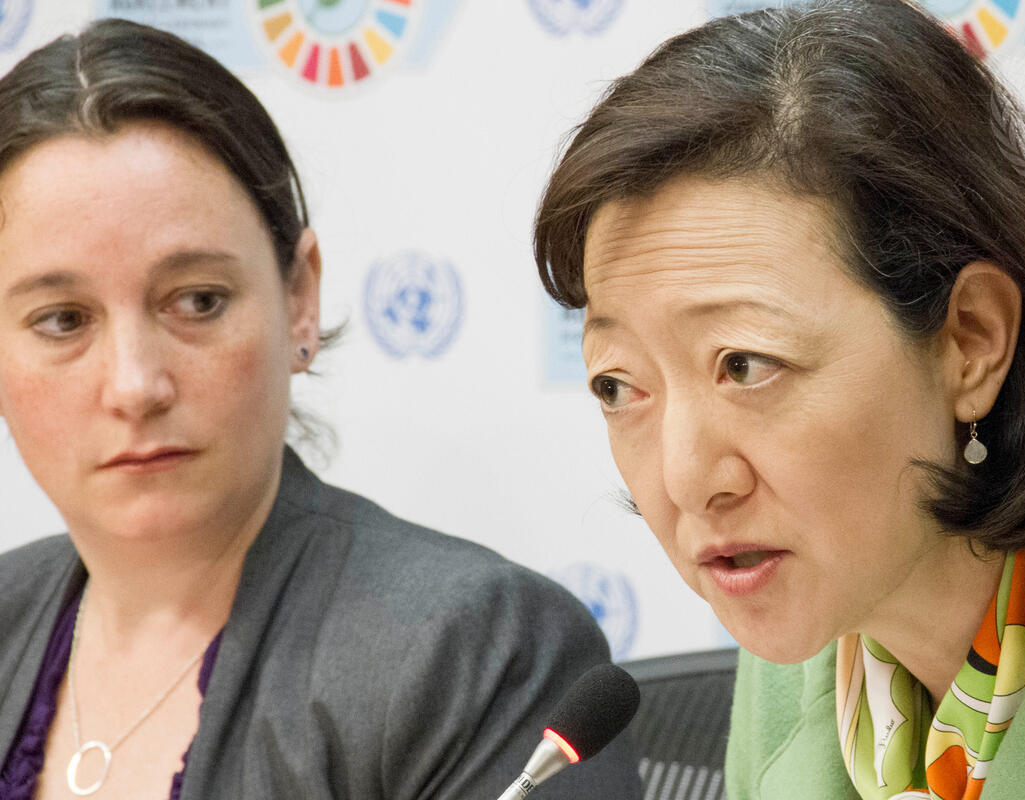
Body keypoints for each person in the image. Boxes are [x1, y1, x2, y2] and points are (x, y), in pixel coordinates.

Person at [533, 1, 1025, 798]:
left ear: (971, 341)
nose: (686, 481)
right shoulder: (806, 648)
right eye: (618, 385)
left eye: (745, 365)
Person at [0, 19, 640, 800]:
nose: (135, 385)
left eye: (197, 301)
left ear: (299, 299)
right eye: (62, 320)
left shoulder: (473, 652)